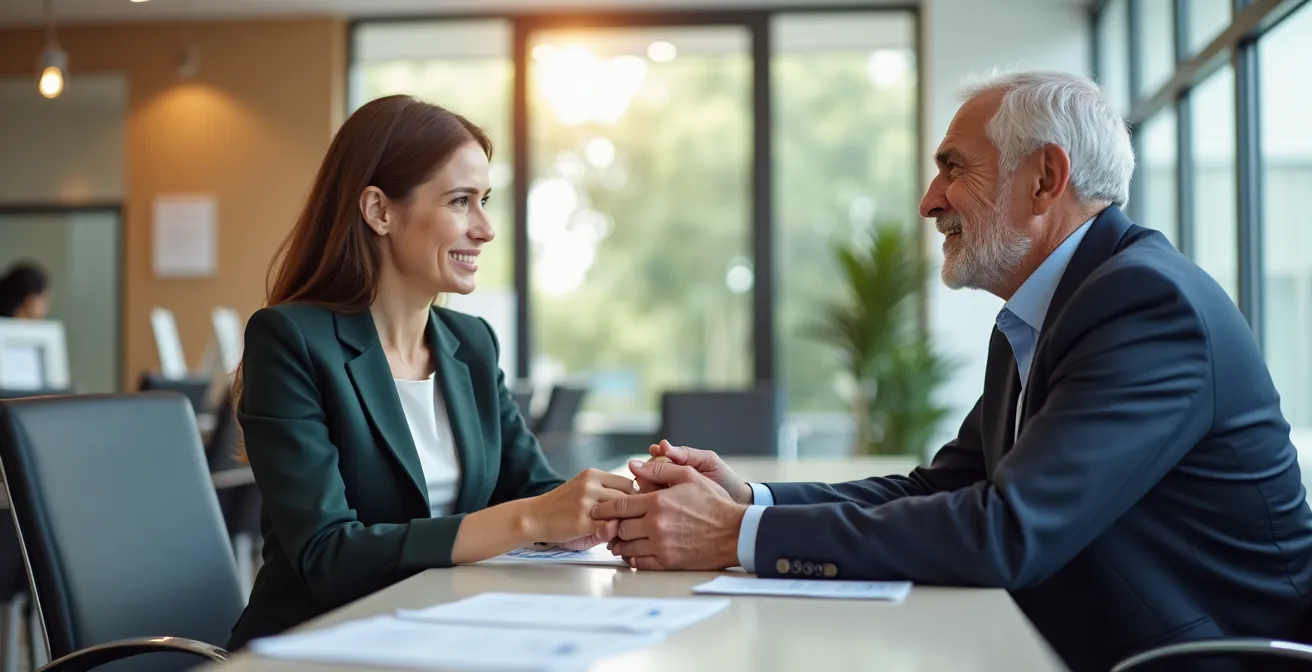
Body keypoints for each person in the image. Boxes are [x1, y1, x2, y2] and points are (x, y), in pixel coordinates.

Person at [591, 71, 1312, 672]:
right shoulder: (1051, 310)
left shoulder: (1145, 304)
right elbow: (944, 486)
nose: (929, 200)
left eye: (953, 167)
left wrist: (733, 535)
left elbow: (1006, 530)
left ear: (1045, 179)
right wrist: (755, 498)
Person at [227, 95, 634, 649]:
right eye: (461, 201)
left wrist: (626, 504)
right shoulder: (291, 339)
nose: (486, 229)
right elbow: (328, 554)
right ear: (379, 211)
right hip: (321, 647)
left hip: (446, 632)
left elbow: (533, 488)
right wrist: (529, 521)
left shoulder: (471, 344)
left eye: (484, 200)